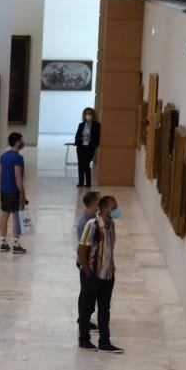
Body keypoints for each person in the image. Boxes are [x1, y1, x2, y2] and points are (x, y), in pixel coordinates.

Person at [78, 196, 123, 353]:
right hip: (93, 274)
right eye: (113, 207)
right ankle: (84, 339)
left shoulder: (111, 225)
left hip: (108, 274)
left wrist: (112, 267)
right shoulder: (93, 225)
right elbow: (81, 250)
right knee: (87, 307)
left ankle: (105, 342)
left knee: (105, 309)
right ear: (103, 209)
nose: (117, 210)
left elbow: (109, 248)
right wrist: (88, 272)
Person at [75, 191, 100, 336]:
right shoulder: (86, 223)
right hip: (86, 263)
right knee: (87, 294)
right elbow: (83, 249)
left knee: (86, 292)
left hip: (89, 262)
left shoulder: (92, 218)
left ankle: (84, 318)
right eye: (98, 201)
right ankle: (83, 321)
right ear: (93, 203)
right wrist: (87, 268)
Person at [0, 132, 28, 255]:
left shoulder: (3, 156)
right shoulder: (17, 158)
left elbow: (0, 174)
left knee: (4, 215)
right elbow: (18, 177)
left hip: (4, 190)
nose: (22, 142)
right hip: (14, 191)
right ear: (17, 142)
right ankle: (16, 244)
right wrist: (22, 193)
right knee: (16, 217)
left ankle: (3, 243)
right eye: (21, 140)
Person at [74, 107, 101, 189]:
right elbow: (77, 135)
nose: (88, 115)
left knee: (86, 164)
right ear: (84, 115)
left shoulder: (97, 125)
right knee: (80, 164)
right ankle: (81, 182)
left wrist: (96, 145)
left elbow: (98, 137)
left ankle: (88, 182)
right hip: (81, 147)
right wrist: (77, 142)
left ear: (93, 115)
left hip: (90, 147)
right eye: (86, 114)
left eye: (89, 114)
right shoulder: (81, 125)